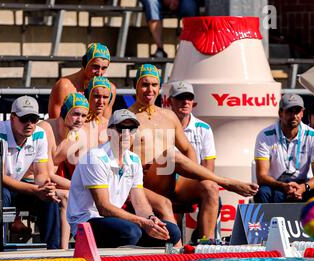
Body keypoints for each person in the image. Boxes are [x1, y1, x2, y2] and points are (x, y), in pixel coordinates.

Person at [128, 64, 258, 243]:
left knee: (210, 187)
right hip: (144, 185)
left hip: (172, 183)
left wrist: (192, 177)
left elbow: (188, 149)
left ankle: (206, 243)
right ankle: (227, 183)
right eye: (144, 84)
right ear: (135, 86)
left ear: (159, 88)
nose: (150, 90)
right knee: (171, 156)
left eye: (154, 85)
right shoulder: (127, 117)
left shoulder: (169, 116)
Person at [66, 109, 181, 248]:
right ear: (109, 133)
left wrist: (151, 219)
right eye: (121, 128)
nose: (126, 133)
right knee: (131, 232)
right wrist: (141, 222)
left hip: (115, 221)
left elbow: (140, 203)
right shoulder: (95, 157)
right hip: (86, 222)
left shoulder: (134, 159)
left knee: (173, 232)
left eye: (131, 129)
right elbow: (103, 208)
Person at [0, 95, 61, 248]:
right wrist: (36, 189)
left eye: (33, 119)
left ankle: (53, 251)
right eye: (24, 119)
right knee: (1, 195)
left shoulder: (39, 134)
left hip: (13, 184)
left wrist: (45, 188)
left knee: (49, 199)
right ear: (12, 117)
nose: (29, 124)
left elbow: (41, 174)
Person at [166, 80, 221, 242]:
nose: (185, 102)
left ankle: (205, 242)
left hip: (190, 183)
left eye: (188, 98)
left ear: (193, 103)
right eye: (180, 97)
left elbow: (209, 168)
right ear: (170, 102)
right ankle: (172, 245)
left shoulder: (203, 128)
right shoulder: (160, 125)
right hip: (164, 182)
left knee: (212, 188)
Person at [254, 93, 314, 203]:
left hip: (303, 185)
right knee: (262, 192)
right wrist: (282, 186)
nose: (294, 115)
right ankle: (264, 221)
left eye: (297, 111)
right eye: (289, 111)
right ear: (280, 113)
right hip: (276, 184)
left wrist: (303, 187)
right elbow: (261, 176)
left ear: (302, 113)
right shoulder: (265, 135)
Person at [47, 43, 116, 120]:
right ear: (85, 63)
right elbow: (55, 124)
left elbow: (104, 124)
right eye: (95, 67)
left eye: (103, 68)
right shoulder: (64, 86)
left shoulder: (109, 89)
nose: (99, 73)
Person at [40, 92, 90, 179]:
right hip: (30, 181)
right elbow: (47, 174)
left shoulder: (80, 137)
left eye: (84, 116)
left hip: (52, 184)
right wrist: (77, 188)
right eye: (76, 114)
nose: (80, 120)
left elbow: (83, 174)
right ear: (64, 112)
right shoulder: (46, 130)